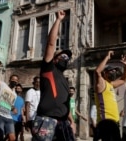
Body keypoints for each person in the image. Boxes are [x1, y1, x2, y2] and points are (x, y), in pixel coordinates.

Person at [31, 10, 75, 141]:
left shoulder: (65, 81)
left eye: (67, 57)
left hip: (64, 124)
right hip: (47, 120)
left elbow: (65, 103)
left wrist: (72, 121)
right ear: (55, 59)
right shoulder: (48, 68)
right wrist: (58, 20)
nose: (65, 58)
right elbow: (50, 44)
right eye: (63, 56)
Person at [94, 50, 126, 141]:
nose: (113, 72)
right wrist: (107, 57)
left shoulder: (111, 85)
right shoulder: (101, 84)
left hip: (115, 122)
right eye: (111, 71)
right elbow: (97, 71)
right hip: (106, 122)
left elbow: (124, 80)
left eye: (114, 71)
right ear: (105, 73)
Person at [0, 61, 17, 141]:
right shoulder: (3, 85)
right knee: (0, 136)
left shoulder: (15, 94)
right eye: (13, 80)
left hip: (8, 116)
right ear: (9, 80)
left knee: (12, 138)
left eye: (16, 81)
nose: (14, 82)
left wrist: (13, 108)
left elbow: (10, 105)